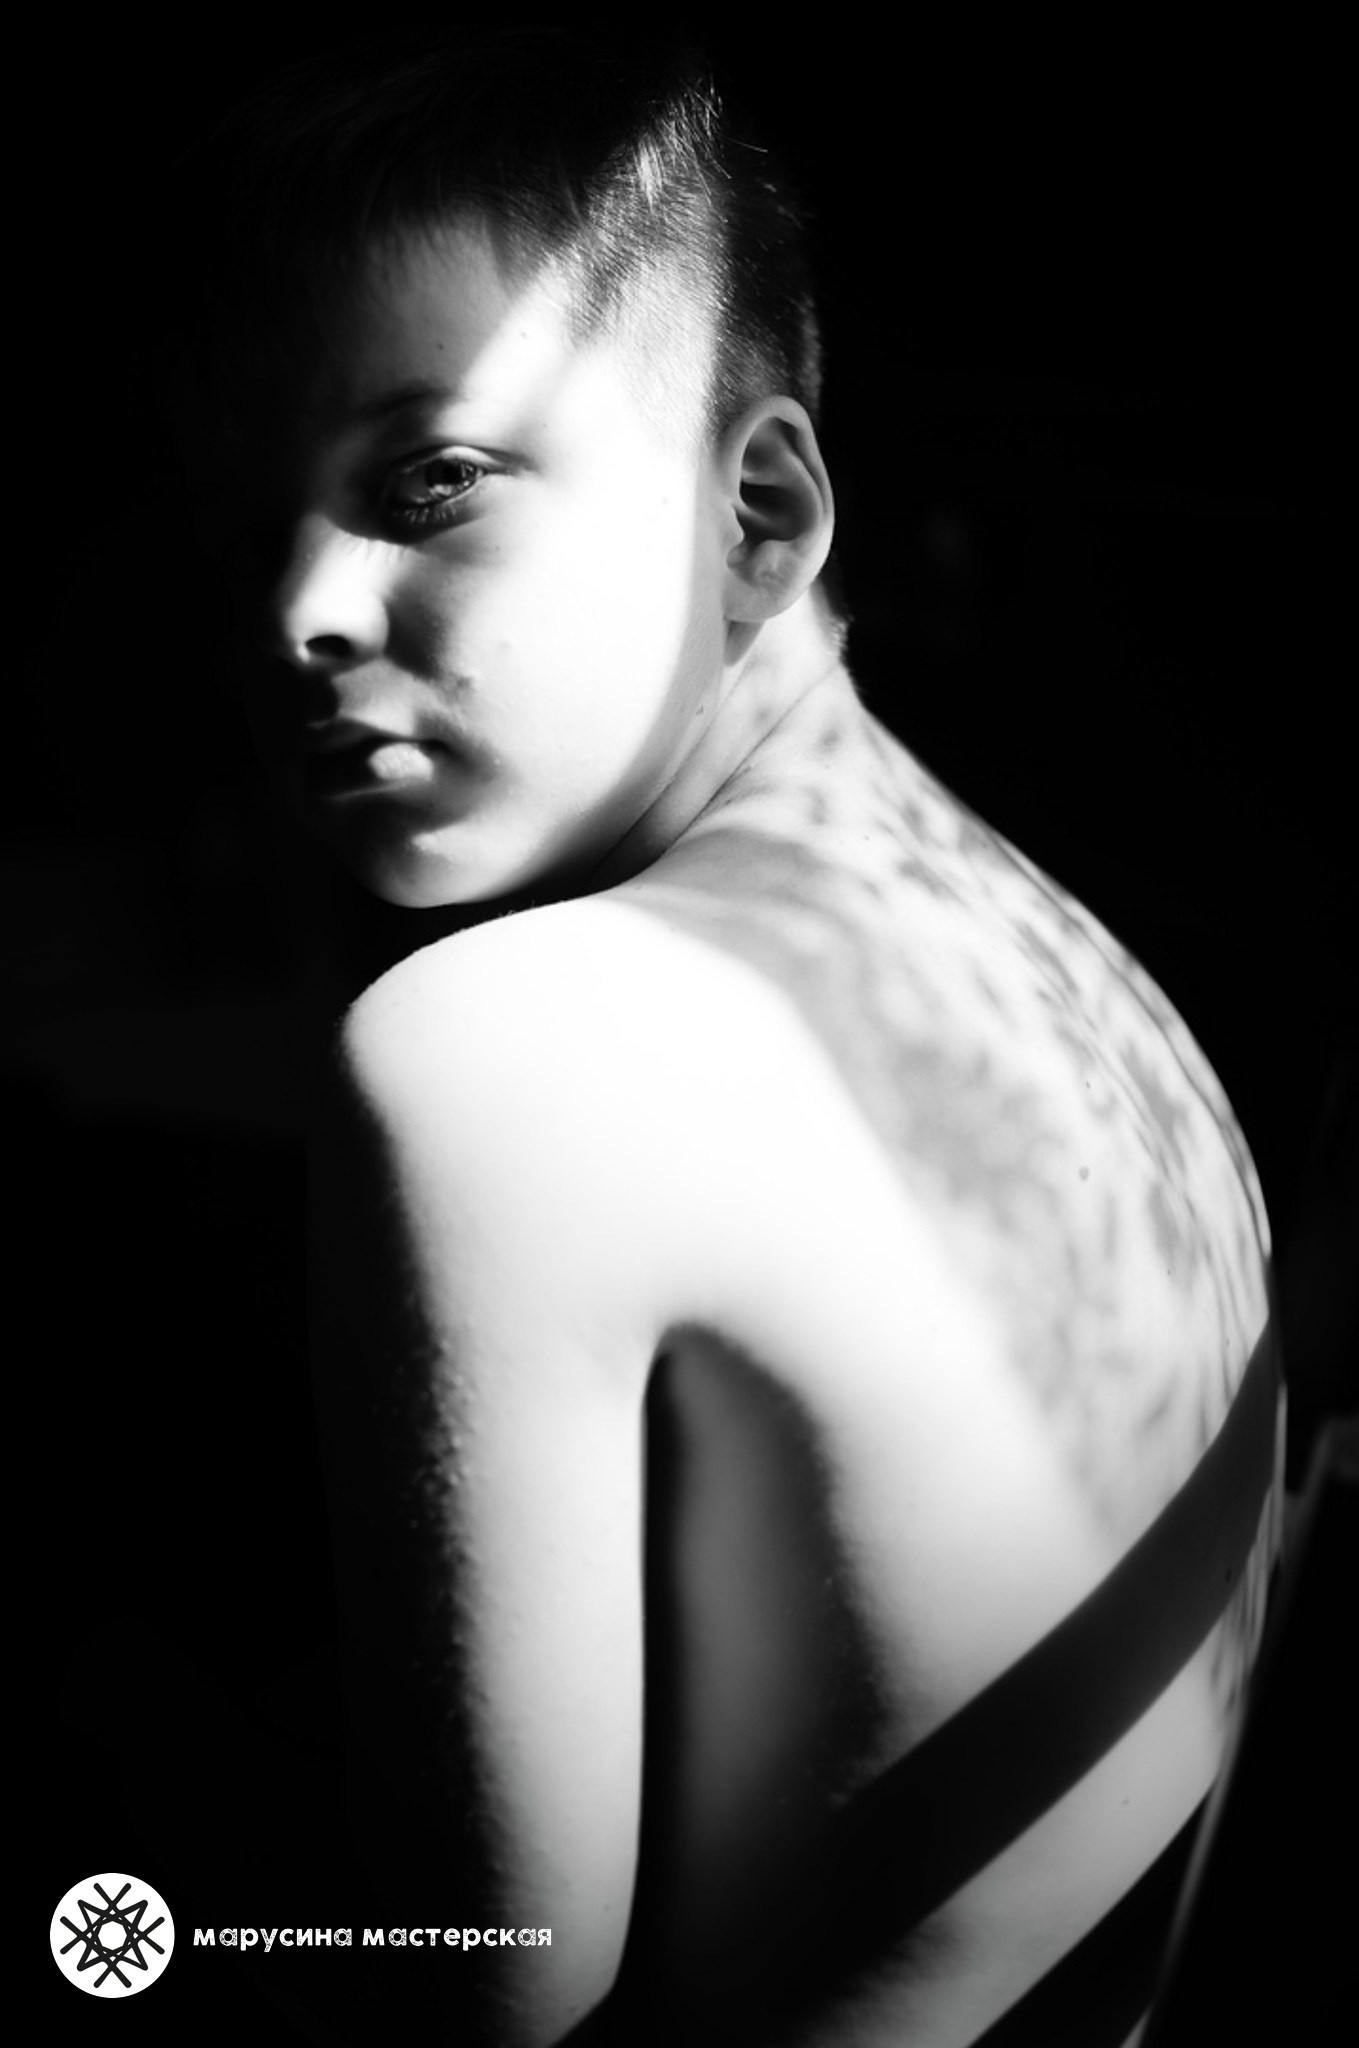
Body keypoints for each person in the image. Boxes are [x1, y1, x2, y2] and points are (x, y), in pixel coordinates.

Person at [174, 27, 1282, 2045]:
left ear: (757, 512)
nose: (297, 612)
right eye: (253, 533)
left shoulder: (507, 1051)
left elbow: (473, 1994)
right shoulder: (1088, 984)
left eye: (427, 480)